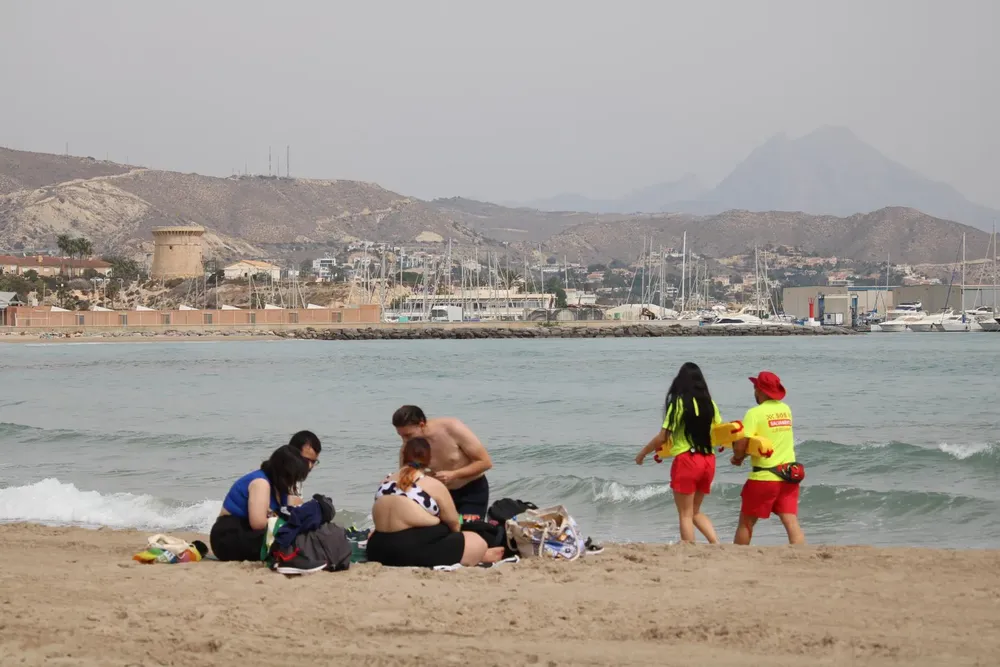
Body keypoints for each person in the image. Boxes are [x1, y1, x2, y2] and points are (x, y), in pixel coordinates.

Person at [366, 437, 504, 568]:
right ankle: (481, 555)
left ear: (403, 456)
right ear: (429, 459)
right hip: (409, 551)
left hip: (377, 550)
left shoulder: (385, 482)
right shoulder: (431, 484)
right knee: (476, 541)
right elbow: (454, 523)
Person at [635, 362, 721, 544]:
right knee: (695, 511)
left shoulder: (678, 404)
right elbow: (718, 432)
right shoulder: (710, 404)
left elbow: (663, 437)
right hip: (708, 460)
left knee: (685, 514)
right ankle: (716, 544)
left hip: (687, 460)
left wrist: (643, 453)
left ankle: (689, 548)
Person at [730, 371, 806, 546]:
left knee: (746, 523)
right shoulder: (786, 410)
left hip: (764, 477)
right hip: (788, 475)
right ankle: (801, 555)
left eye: (755, 387)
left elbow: (743, 442)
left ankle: (739, 556)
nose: (754, 391)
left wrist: (737, 458)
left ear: (760, 390)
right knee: (791, 522)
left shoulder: (754, 413)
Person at [209, 444, 310, 561]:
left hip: (245, 531)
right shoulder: (261, 483)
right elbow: (258, 523)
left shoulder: (279, 488)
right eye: (293, 478)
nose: (294, 483)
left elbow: (293, 507)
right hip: (228, 535)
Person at [391, 405, 492, 521]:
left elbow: (485, 462)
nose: (404, 441)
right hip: (440, 495)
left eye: (408, 435)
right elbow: (406, 480)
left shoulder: (452, 428)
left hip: (472, 491)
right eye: (401, 436)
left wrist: (454, 474)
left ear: (422, 425)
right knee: (442, 533)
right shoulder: (408, 447)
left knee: (468, 529)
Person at [287, 430, 321, 506]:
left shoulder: (297, 479)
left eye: (313, 461)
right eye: (306, 460)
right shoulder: (273, 478)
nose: (310, 466)